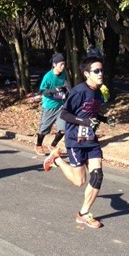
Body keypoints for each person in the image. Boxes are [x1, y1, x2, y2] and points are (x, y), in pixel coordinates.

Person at [43, 56, 110, 229]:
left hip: (91, 140)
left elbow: (90, 113)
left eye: (102, 70)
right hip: (75, 140)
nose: (100, 73)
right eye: (96, 71)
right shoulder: (79, 91)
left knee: (97, 176)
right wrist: (83, 121)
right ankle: (56, 159)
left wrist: (103, 118)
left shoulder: (99, 91)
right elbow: (65, 114)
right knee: (79, 181)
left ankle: (83, 213)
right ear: (87, 74)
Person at [35, 52, 69, 156]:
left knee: (63, 129)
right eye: (61, 64)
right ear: (54, 64)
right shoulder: (48, 76)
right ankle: (38, 145)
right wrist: (54, 90)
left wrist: (67, 93)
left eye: (64, 64)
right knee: (44, 129)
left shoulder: (64, 74)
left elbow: (66, 86)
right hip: (49, 106)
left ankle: (53, 145)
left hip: (60, 106)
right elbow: (42, 91)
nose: (63, 66)